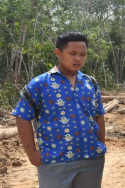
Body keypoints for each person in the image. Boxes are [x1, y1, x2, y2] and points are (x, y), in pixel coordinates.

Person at [12, 32, 106, 188]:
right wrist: (32, 154)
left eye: (83, 54)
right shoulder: (40, 84)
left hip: (91, 160)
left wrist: (100, 145)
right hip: (55, 161)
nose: (78, 58)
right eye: (72, 53)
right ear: (58, 53)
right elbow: (22, 116)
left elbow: (99, 115)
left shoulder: (91, 83)